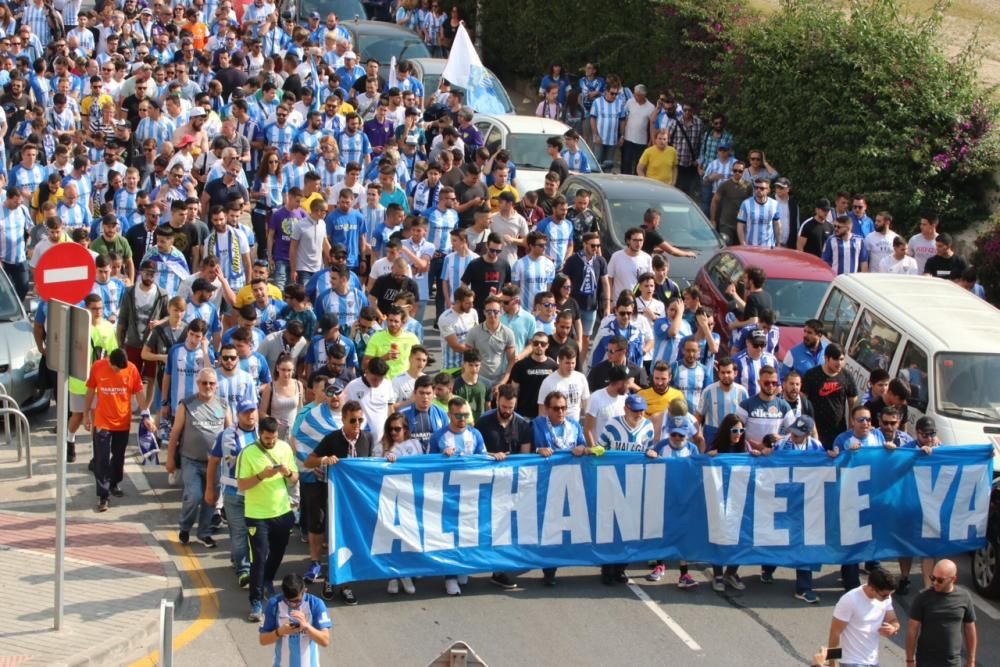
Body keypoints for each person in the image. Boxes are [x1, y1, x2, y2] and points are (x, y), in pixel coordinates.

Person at [238, 416, 299, 622]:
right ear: (260, 435)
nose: (271, 442)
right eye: (267, 439)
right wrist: (261, 476)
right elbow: (242, 485)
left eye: (273, 439)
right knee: (259, 557)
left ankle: (267, 581)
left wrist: (287, 472)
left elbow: (294, 479)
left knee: (278, 553)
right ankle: (255, 602)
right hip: (257, 516)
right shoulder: (247, 454)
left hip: (282, 512)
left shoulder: (284, 448)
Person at [166, 368, 230, 549]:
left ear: (216, 386)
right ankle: (185, 527)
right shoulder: (186, 404)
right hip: (191, 460)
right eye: (204, 383)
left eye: (211, 383)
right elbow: (175, 433)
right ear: (198, 383)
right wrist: (170, 459)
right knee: (194, 496)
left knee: (211, 499)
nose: (207, 386)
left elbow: (230, 432)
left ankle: (203, 533)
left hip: (215, 462)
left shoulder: (223, 405)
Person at [531, 390, 587, 586]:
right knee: (550, 528)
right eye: (556, 408)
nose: (561, 412)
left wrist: (582, 448)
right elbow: (529, 448)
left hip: (572, 483)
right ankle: (549, 569)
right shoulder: (537, 424)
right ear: (547, 409)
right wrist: (538, 450)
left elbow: (583, 446)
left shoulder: (574, 425)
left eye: (564, 408)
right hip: (547, 484)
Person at [83, 349, 149, 512]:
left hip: (122, 422)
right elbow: (90, 391)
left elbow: (139, 393)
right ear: (109, 362)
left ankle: (114, 483)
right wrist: (85, 415)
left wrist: (145, 414)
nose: (118, 371)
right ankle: (103, 495)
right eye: (115, 369)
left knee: (118, 456)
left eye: (121, 369)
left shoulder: (132, 369)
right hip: (102, 422)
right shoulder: (98, 367)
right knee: (101, 459)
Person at [206, 400, 259, 589]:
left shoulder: (264, 433)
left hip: (257, 493)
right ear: (238, 415)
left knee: (254, 532)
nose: (250, 415)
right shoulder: (226, 435)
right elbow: (214, 461)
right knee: (239, 532)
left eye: (252, 411)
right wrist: (210, 489)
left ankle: (237, 558)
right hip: (233, 493)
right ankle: (243, 570)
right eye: (245, 412)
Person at [705, 414, 751, 591]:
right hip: (719, 500)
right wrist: (709, 457)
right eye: (734, 430)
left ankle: (731, 571)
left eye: (741, 430)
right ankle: (717, 573)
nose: (738, 434)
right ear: (726, 431)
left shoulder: (744, 447)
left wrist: (756, 456)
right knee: (719, 535)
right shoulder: (716, 447)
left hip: (739, 499)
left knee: (741, 537)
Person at [905, 558, 978, 667]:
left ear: (953, 579)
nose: (934, 582)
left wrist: (971, 661)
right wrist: (910, 661)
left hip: (952, 662)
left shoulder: (964, 597)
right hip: (926, 661)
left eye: (940, 580)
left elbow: (970, 628)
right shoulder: (923, 597)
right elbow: (912, 629)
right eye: (932, 577)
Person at [827, 567, 901, 667]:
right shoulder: (849, 600)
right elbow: (835, 634)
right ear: (871, 588)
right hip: (851, 661)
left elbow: (893, 620)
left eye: (889, 594)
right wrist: (833, 663)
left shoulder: (885, 598)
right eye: (884, 595)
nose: (888, 597)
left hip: (872, 661)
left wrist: (893, 628)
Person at [259, 573, 332, 663]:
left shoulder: (316, 604)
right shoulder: (273, 604)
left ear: (305, 590)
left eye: (297, 600)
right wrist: (280, 632)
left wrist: (307, 627)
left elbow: (325, 641)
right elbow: (263, 640)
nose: (293, 605)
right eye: (289, 601)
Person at [802, 343, 858, 448]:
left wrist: (852, 423)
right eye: (836, 359)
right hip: (816, 430)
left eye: (842, 359)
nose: (839, 363)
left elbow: (852, 401)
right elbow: (802, 400)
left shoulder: (847, 376)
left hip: (838, 431)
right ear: (826, 358)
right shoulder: (812, 375)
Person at [737, 178, 781, 248]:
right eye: (756, 187)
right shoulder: (745, 204)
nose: (758, 190)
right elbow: (740, 225)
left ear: (768, 190)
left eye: (762, 188)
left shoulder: (774, 204)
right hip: (750, 247)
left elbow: (777, 224)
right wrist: (743, 244)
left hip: (768, 247)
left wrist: (778, 243)